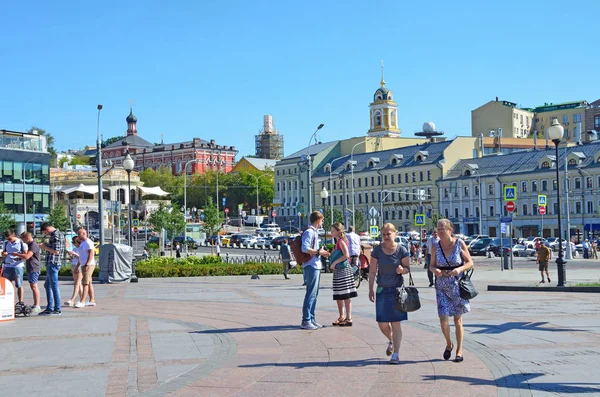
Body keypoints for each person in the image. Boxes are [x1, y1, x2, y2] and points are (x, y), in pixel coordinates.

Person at [429, 219, 473, 363]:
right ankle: (449, 343)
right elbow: (431, 265)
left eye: (443, 229)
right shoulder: (435, 246)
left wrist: (458, 269)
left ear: (450, 230)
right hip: (441, 286)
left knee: (457, 320)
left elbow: (470, 262)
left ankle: (459, 350)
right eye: (438, 229)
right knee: (443, 320)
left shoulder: (459, 243)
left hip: (456, 286)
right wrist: (435, 270)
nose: (439, 232)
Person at [368, 223, 410, 364]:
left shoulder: (401, 250)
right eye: (384, 234)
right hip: (382, 289)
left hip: (397, 290)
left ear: (395, 233)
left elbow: (407, 268)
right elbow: (373, 271)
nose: (386, 236)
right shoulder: (377, 251)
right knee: (382, 324)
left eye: (388, 234)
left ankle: (396, 354)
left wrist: (401, 270)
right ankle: (391, 340)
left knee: (396, 323)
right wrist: (370, 289)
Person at [300, 211, 330, 330]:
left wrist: (321, 251)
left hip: (316, 265)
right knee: (311, 293)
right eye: (322, 220)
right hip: (311, 265)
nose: (322, 223)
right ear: (318, 220)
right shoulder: (309, 232)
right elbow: (304, 248)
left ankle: (311, 318)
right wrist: (318, 252)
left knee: (314, 294)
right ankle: (306, 320)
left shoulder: (315, 232)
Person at [329, 223, 358, 326]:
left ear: (338, 231)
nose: (331, 232)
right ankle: (343, 316)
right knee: (340, 295)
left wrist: (334, 263)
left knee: (344, 295)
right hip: (340, 271)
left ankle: (348, 317)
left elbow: (346, 255)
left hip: (343, 271)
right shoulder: (338, 242)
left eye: (332, 231)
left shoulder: (341, 241)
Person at [39, 222, 65, 315]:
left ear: (47, 229)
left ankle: (56, 308)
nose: (46, 235)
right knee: (47, 285)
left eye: (45, 233)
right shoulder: (58, 234)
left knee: (54, 286)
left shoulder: (56, 236)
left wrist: (44, 247)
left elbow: (56, 251)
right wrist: (46, 245)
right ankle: (50, 307)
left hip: (53, 262)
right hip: (53, 262)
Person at [14, 232, 42, 313]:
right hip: (31, 267)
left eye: (23, 239)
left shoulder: (33, 245)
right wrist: (19, 258)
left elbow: (27, 256)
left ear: (27, 238)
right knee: (32, 286)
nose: (23, 242)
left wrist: (17, 254)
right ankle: (35, 304)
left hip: (34, 268)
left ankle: (37, 305)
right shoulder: (30, 245)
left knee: (34, 286)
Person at [1, 230, 28, 305]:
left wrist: (17, 255)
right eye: (7, 239)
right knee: (6, 284)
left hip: (18, 265)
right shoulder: (6, 243)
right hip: (7, 265)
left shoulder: (22, 243)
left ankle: (20, 302)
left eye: (10, 239)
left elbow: (25, 255)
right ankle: (7, 301)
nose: (9, 240)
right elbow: (3, 253)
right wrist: (4, 254)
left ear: (14, 235)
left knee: (19, 284)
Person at [75, 228, 96, 308]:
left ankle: (82, 301)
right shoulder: (83, 243)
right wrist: (78, 266)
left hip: (88, 265)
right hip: (84, 264)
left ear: (83, 233)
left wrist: (87, 264)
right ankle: (92, 300)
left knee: (85, 283)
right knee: (89, 283)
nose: (78, 236)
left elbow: (91, 253)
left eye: (79, 234)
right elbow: (82, 256)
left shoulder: (88, 242)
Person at [64, 236, 83, 307]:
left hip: (79, 266)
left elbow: (81, 258)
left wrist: (75, 254)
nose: (73, 244)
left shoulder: (81, 248)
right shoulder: (75, 248)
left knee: (76, 283)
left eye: (74, 242)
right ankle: (82, 299)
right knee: (79, 284)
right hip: (74, 265)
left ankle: (72, 299)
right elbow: (74, 258)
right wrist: (71, 256)